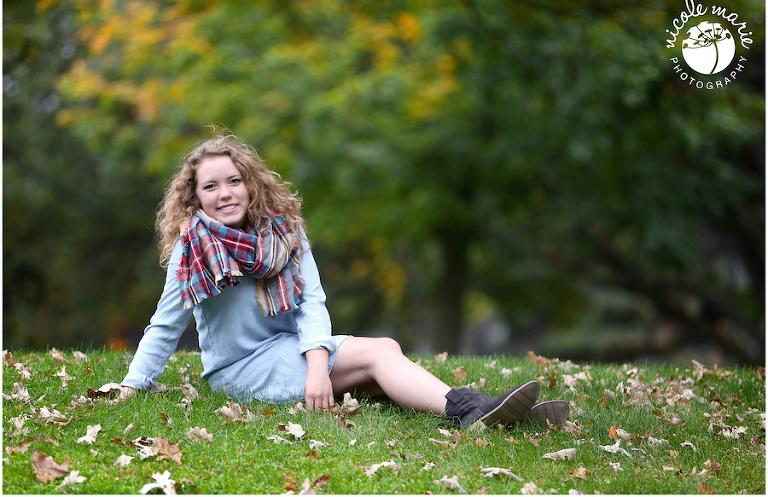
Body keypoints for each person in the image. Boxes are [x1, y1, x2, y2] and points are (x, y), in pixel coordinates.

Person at [118, 132, 569, 430]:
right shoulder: (193, 250)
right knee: (376, 357)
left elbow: (311, 302)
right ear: (194, 197)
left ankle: (485, 409)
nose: (225, 193)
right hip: (240, 370)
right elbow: (165, 324)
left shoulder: (283, 233)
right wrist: (132, 385)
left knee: (384, 352)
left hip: (289, 350)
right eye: (210, 186)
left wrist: (317, 367)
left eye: (233, 181)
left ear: (250, 184)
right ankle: (473, 409)